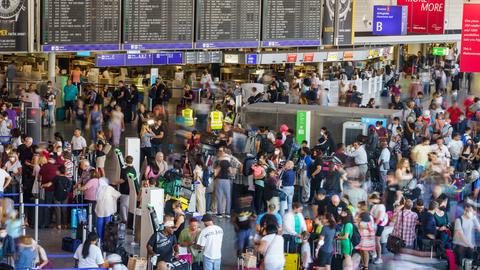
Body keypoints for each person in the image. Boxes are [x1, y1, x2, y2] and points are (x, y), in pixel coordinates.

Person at [453, 203, 480, 268]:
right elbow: (460, 234)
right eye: (469, 210)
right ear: (465, 210)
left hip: (469, 246)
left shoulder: (472, 219)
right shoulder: (459, 220)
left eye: (472, 211)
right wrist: (469, 244)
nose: (471, 212)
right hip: (460, 245)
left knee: (469, 264)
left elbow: (479, 229)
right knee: (459, 265)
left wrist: (474, 218)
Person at [95, 177, 121, 242]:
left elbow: (96, 198)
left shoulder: (98, 189)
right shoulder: (110, 188)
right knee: (108, 225)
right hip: (108, 210)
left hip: (100, 209)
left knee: (99, 225)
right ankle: (107, 240)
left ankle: (99, 239)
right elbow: (118, 194)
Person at [117, 156, 136, 224]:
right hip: (130, 189)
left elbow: (123, 180)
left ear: (125, 160)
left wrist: (115, 182)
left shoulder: (126, 169)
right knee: (126, 204)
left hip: (125, 189)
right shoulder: (133, 168)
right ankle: (126, 219)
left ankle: (124, 219)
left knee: (123, 205)